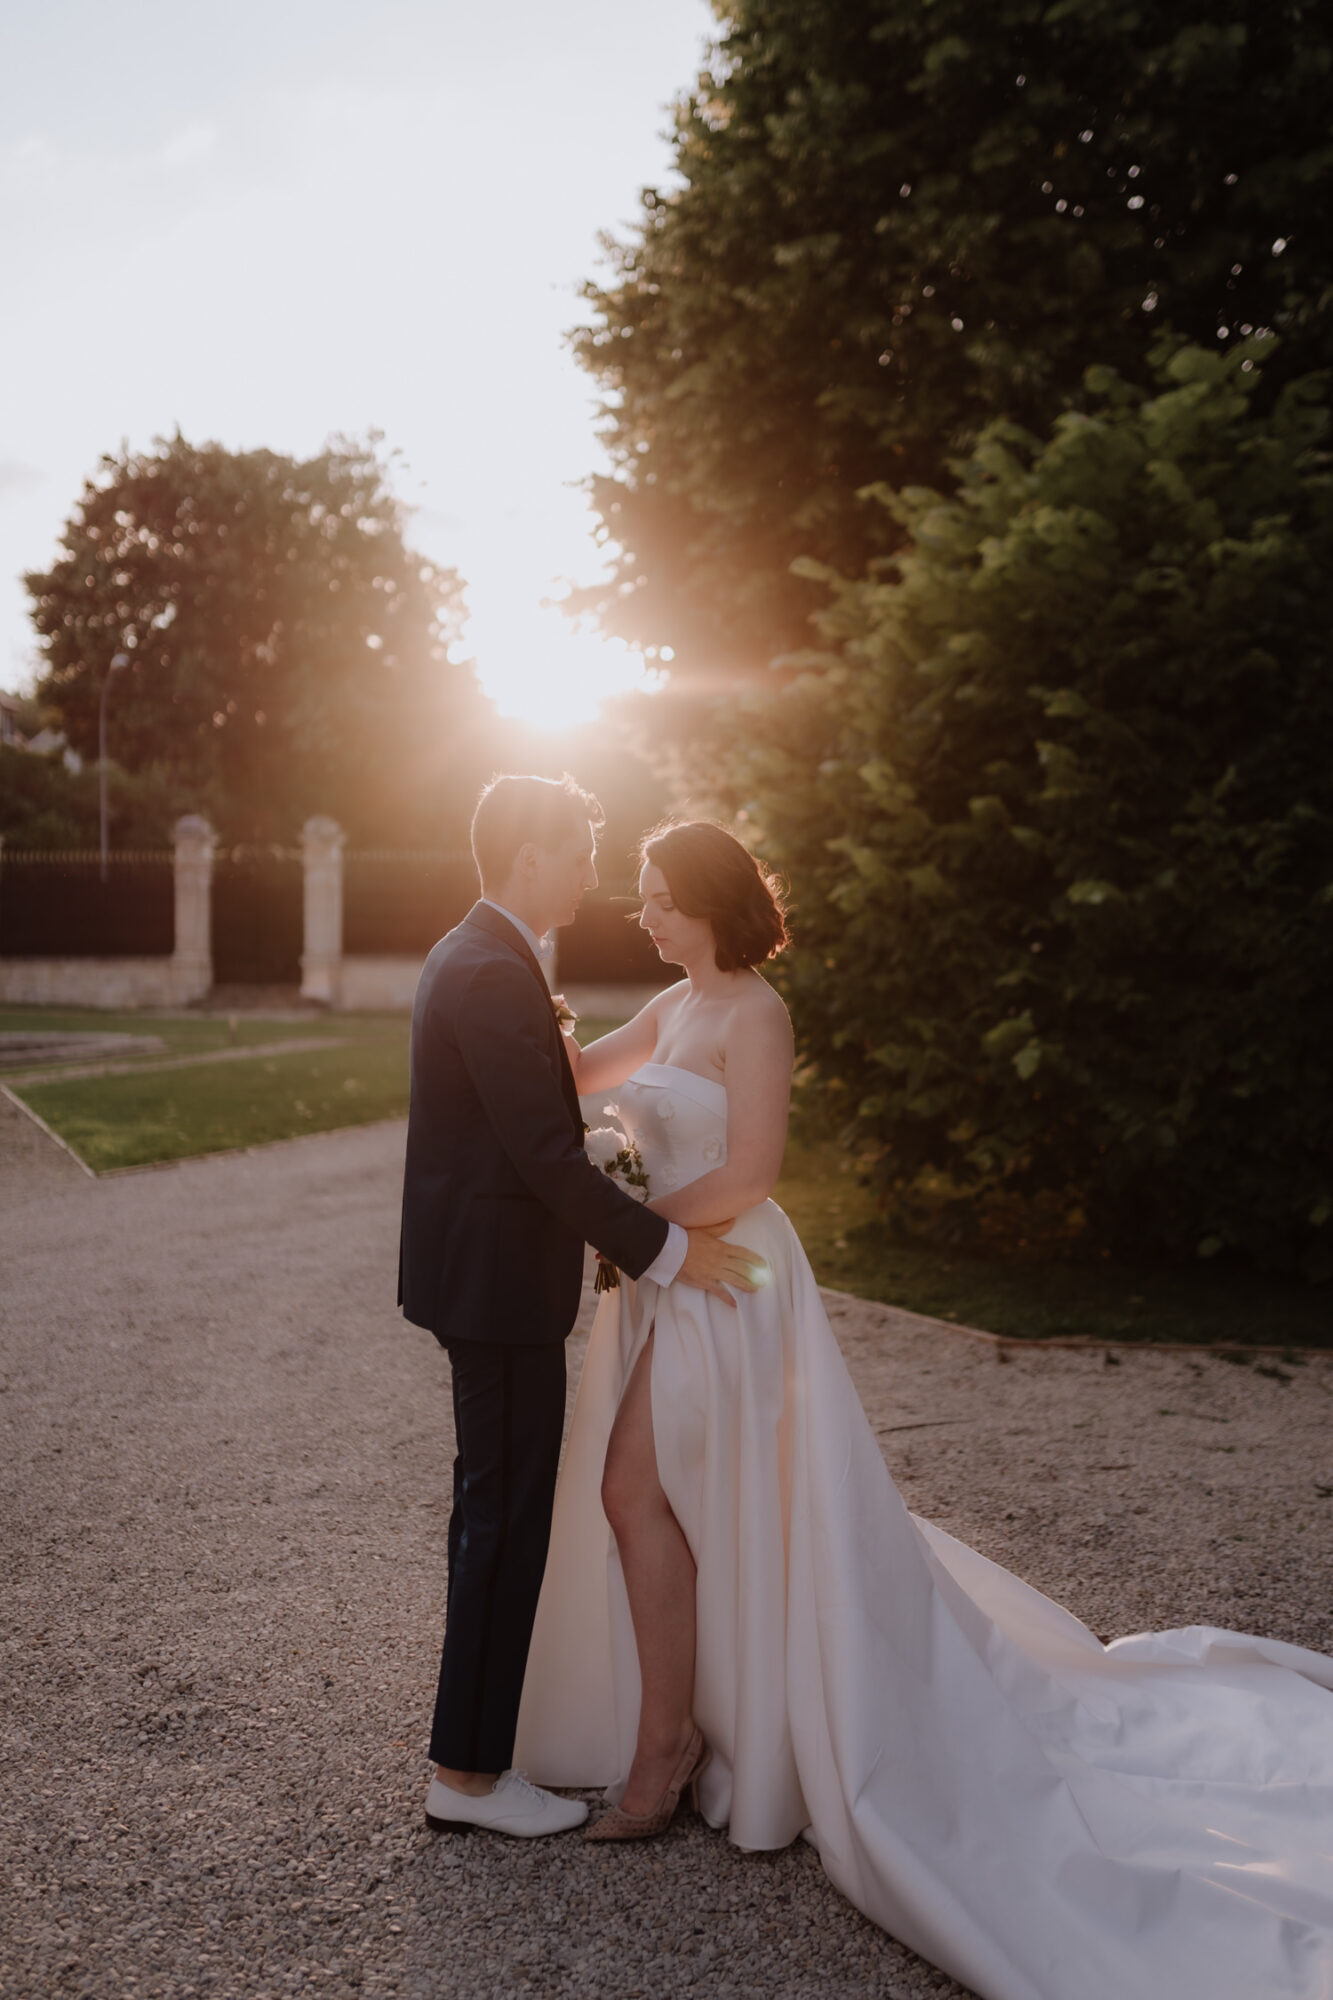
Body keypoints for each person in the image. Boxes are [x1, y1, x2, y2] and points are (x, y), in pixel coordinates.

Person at [513, 818, 1333, 1999]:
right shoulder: (671, 1004)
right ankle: (675, 1730)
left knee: (636, 1487)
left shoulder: (753, 1010)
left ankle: (667, 1747)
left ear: (706, 901)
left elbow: (752, 1172)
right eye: (638, 896)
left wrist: (638, 1224)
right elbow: (577, 1075)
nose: (637, 913)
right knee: (656, 1493)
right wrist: (525, 1003)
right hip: (668, 1280)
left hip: (731, 1275)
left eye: (654, 896)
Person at [398, 778, 764, 1840]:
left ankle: (469, 1763)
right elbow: (548, 1156)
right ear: (526, 854)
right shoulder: (490, 967)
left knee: (498, 1510)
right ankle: (466, 1774)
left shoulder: (486, 957)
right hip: (496, 1285)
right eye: (578, 851)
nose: (592, 875)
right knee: (502, 1517)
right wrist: (666, 1248)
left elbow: (547, 1109)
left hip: (485, 1277)